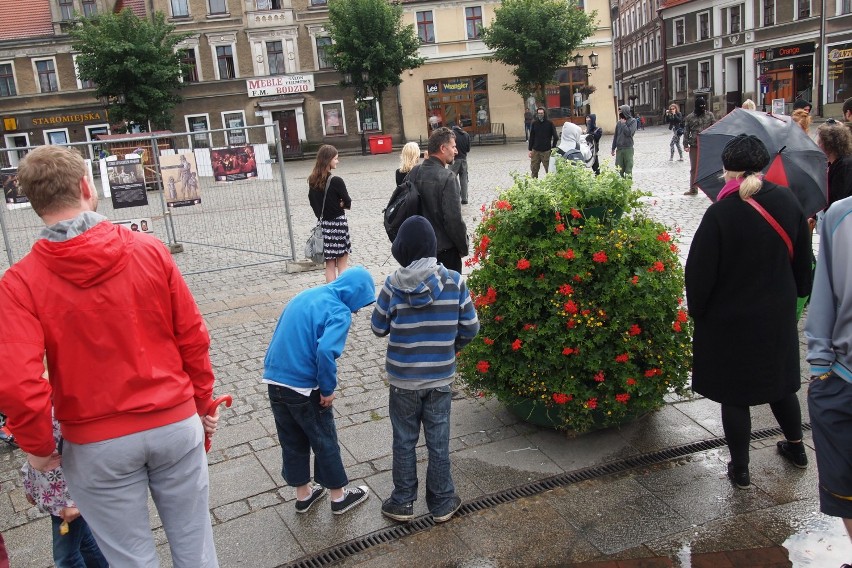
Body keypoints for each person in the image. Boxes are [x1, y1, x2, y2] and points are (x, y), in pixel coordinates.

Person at [0, 145, 221, 567]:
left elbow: (16, 381)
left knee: (130, 560)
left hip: (96, 442)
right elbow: (193, 338)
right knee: (196, 549)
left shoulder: (19, 282)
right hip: (173, 423)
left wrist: (39, 447)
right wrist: (201, 403)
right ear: (86, 186)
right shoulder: (151, 250)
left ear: (33, 203)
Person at [685, 135, 813, 490]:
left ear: (727, 169)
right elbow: (804, 262)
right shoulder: (787, 200)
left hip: (731, 319)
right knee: (781, 383)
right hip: (776, 313)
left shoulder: (720, 213)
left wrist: (700, 311)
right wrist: (797, 294)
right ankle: (798, 449)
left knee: (736, 394)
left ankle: (740, 470)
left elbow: (699, 273)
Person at [371, 216, 479, 524]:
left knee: (404, 440)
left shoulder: (392, 285)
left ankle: (402, 502)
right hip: (440, 379)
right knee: (439, 439)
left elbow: (378, 327)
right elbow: (471, 328)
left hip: (403, 381)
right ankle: (443, 500)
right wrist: (450, 348)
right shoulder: (455, 283)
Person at [263, 266, 375, 516]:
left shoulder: (307, 295)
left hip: (274, 379)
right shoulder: (339, 311)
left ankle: (303, 495)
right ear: (354, 294)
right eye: (360, 303)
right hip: (304, 386)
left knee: (292, 440)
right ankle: (339, 497)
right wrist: (327, 389)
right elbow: (325, 352)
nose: (357, 310)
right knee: (324, 439)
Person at [804, 190, 852, 559]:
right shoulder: (839, 215)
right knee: (844, 489)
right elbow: (824, 293)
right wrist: (821, 369)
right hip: (844, 378)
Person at [21, 392, 109, 568]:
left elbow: (82, 457)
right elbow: (33, 455)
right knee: (85, 543)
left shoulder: (61, 414)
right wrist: (30, 485)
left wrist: (74, 502)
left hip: (66, 502)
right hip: (56, 498)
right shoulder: (37, 411)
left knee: (65, 558)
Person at [418, 127, 468, 273]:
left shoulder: (414, 173)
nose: (456, 151)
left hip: (420, 252)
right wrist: (463, 247)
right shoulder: (447, 177)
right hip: (444, 253)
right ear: (442, 148)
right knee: (449, 294)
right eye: (453, 147)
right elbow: (454, 219)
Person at [308, 145, 352, 283]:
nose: (337, 161)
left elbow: (313, 202)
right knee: (342, 263)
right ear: (328, 160)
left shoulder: (312, 180)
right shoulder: (336, 181)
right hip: (338, 225)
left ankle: (332, 294)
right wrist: (341, 204)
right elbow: (348, 202)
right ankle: (343, 292)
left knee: (330, 265)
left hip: (324, 226)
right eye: (336, 158)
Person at [683, 96, 716, 195]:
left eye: (704, 106)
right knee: (694, 168)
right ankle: (693, 189)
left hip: (707, 145)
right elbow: (686, 132)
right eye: (700, 106)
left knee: (710, 167)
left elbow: (715, 128)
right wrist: (685, 144)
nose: (702, 108)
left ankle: (711, 188)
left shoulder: (709, 115)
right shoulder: (689, 117)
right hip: (694, 145)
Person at [817, 120, 852, 207]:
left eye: (820, 142)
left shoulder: (844, 166)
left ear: (829, 144)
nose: (818, 145)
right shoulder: (832, 164)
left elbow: (839, 200)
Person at [527, 107, 558, 178]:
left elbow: (556, 137)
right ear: (537, 114)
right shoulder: (534, 123)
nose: (540, 115)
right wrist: (530, 150)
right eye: (539, 113)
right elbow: (531, 137)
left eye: (541, 113)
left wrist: (553, 148)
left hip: (546, 151)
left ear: (544, 113)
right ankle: (534, 186)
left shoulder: (550, 123)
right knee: (534, 170)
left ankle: (551, 186)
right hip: (535, 150)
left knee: (549, 171)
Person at [610, 104, 638, 177]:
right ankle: (620, 187)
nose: (620, 114)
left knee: (628, 169)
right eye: (619, 112)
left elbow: (629, 132)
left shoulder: (633, 121)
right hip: (619, 149)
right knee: (618, 170)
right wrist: (613, 148)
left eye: (621, 112)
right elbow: (616, 136)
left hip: (628, 148)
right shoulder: (619, 123)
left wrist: (623, 124)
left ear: (625, 112)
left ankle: (627, 187)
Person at [449, 124, 471, 204]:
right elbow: (468, 149)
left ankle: (454, 198)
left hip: (454, 160)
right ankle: (464, 198)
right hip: (464, 159)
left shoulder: (451, 135)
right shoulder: (466, 134)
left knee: (451, 179)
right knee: (464, 179)